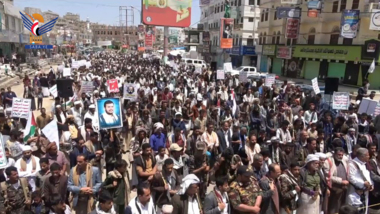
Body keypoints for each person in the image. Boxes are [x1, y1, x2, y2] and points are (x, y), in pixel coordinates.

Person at [346, 148, 373, 214]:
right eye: (367, 155)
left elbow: (368, 176)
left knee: (364, 210)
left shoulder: (365, 164)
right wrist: (363, 183)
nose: (369, 156)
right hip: (355, 192)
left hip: (365, 192)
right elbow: (351, 178)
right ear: (362, 156)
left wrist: (371, 184)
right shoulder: (352, 164)